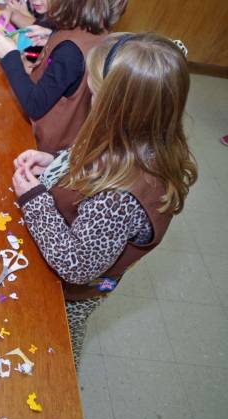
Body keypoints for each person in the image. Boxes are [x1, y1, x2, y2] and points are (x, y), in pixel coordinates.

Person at [11, 33, 197, 369]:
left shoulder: (120, 198)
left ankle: (63, 378)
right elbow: (91, 158)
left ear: (119, 110)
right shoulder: (136, 136)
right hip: (60, 245)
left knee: (59, 342)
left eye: (95, 92)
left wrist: (33, 197)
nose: (89, 96)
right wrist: (54, 162)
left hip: (70, 293)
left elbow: (76, 265)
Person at [0, 0, 127, 154]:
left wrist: (9, 56)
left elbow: (34, 104)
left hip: (42, 146)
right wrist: (52, 36)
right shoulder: (96, 33)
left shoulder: (70, 52)